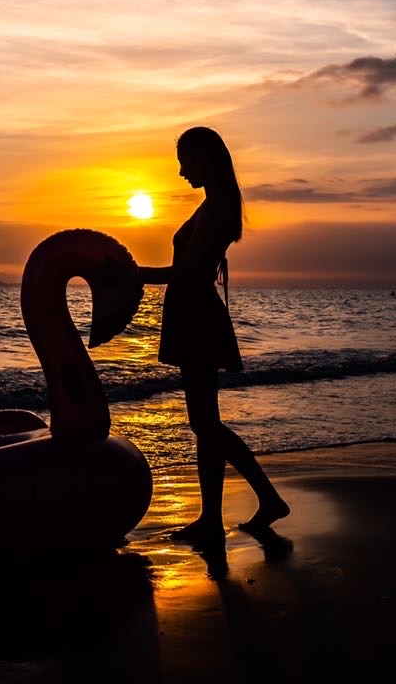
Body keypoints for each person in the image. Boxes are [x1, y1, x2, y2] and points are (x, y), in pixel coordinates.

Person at [137, 126, 289, 541]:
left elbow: (188, 272)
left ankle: (260, 501)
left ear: (204, 158)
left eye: (185, 162)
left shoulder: (219, 207)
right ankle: (216, 516)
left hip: (198, 317)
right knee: (205, 423)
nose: (182, 172)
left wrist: (131, 274)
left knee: (206, 424)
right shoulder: (212, 205)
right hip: (193, 315)